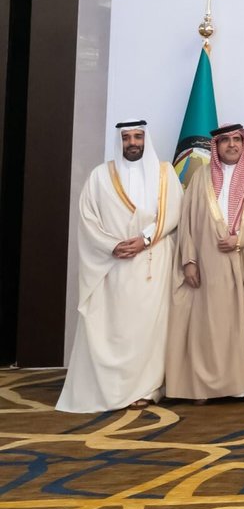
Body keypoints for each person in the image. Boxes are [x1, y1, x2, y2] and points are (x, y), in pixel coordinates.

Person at [58, 119, 181, 413]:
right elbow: (88, 219)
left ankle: (147, 388)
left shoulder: (165, 173)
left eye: (138, 136)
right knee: (115, 329)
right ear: (120, 141)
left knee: (150, 330)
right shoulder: (100, 176)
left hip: (152, 263)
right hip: (113, 265)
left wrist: (145, 239)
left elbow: (174, 211)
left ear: (146, 139)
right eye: (127, 138)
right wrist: (112, 245)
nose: (133, 143)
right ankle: (112, 388)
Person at [165, 124, 244, 403]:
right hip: (211, 263)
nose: (232, 145)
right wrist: (189, 260)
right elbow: (188, 222)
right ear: (216, 146)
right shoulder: (200, 178)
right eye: (225, 140)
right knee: (212, 325)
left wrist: (241, 239)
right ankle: (209, 386)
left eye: (237, 139)